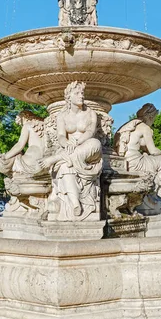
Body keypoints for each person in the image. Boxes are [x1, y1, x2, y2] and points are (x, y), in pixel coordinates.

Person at [39, 81, 102, 220]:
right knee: (64, 166)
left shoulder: (90, 113)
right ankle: (75, 203)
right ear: (69, 97)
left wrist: (77, 142)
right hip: (70, 150)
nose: (81, 96)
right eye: (77, 93)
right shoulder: (62, 115)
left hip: (87, 146)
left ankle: (56, 158)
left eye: (82, 93)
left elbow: (91, 131)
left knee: (96, 143)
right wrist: (66, 143)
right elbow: (61, 135)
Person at [114, 104, 161, 201]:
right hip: (135, 163)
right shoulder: (145, 128)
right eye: (154, 118)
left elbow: (142, 147)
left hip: (123, 162)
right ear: (150, 117)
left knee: (148, 158)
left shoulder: (129, 125)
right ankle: (156, 189)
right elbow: (153, 151)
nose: (153, 121)